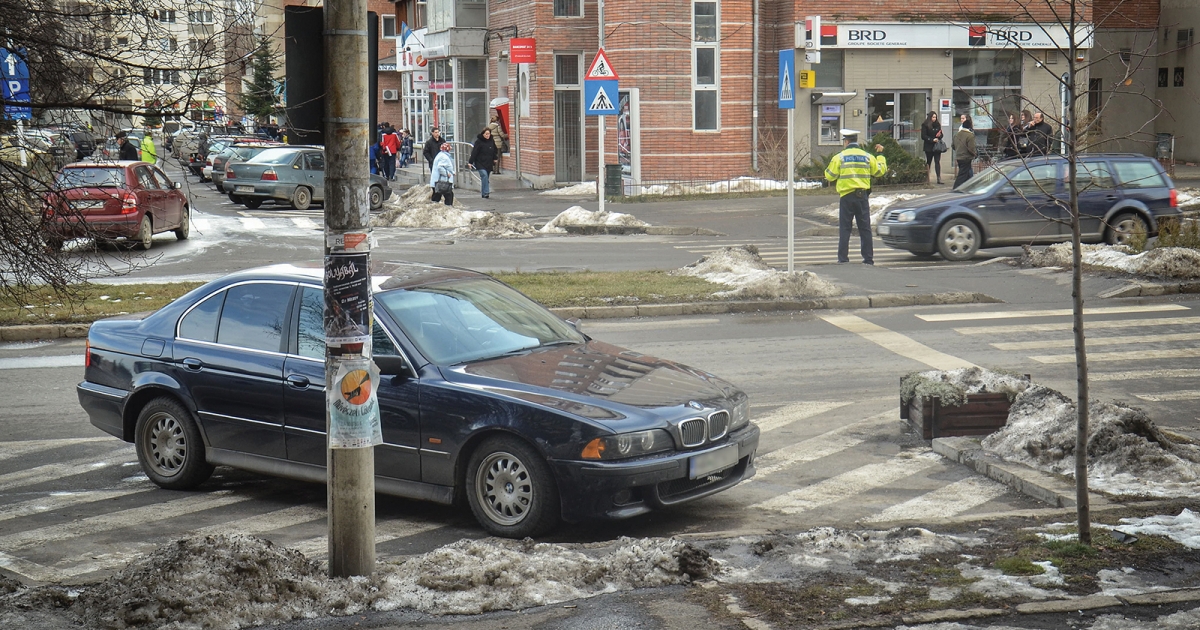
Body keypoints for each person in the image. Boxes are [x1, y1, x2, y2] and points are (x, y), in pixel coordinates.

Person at [825, 129, 887, 265]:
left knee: (845, 228)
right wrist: (880, 155)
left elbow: (829, 175)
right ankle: (868, 258)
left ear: (846, 142)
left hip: (846, 197)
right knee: (865, 228)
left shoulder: (839, 157)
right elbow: (879, 171)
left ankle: (843, 258)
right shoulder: (867, 156)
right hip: (862, 196)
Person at [469, 127, 498, 198]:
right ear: (483, 134)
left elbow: (494, 150)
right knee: (484, 175)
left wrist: (495, 158)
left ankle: (483, 193)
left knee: (486, 178)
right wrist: (470, 162)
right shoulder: (479, 142)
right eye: (486, 134)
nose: (488, 135)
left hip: (488, 162)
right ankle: (486, 192)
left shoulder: (491, 141)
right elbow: (474, 152)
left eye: (489, 134)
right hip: (480, 162)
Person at [952, 117, 978, 189]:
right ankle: (956, 189)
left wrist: (958, 149)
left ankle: (971, 187)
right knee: (962, 175)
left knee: (968, 174)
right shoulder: (970, 135)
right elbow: (971, 148)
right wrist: (975, 154)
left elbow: (953, 146)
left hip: (959, 157)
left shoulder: (956, 135)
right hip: (966, 158)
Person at [920, 112, 944, 185]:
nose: (934, 119)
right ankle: (926, 178)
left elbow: (941, 134)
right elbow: (923, 136)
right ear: (930, 117)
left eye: (935, 117)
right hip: (929, 146)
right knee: (929, 161)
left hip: (937, 146)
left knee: (937, 161)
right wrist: (931, 139)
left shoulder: (937, 124)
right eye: (933, 117)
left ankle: (939, 178)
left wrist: (939, 136)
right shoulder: (925, 125)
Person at [429, 142, 456, 206]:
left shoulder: (440, 155)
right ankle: (448, 210)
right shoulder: (444, 157)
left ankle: (432, 210)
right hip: (443, 181)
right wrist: (447, 173)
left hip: (437, 181)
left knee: (436, 197)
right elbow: (440, 167)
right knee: (449, 196)